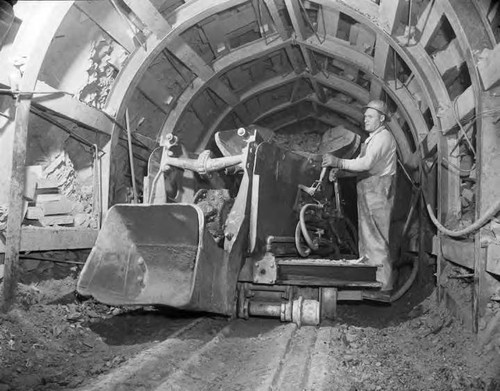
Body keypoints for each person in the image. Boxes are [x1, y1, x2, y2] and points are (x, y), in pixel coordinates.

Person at [322, 100, 397, 300]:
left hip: (377, 191)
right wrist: (341, 172)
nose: (366, 120)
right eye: (365, 116)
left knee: (377, 239)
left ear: (381, 119)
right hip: (368, 189)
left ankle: (383, 287)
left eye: (370, 116)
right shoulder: (372, 139)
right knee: (367, 237)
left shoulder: (383, 137)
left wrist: (338, 161)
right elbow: (363, 167)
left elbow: (367, 163)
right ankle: (370, 280)